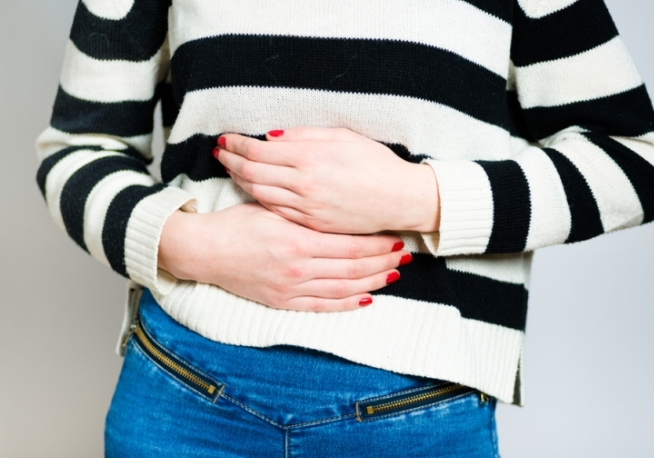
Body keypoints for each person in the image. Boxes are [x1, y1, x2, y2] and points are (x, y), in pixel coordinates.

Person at [36, 0, 654, 456]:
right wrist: (193, 245)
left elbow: (635, 160)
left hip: (419, 414)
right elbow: (78, 149)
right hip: (181, 392)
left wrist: (418, 196)